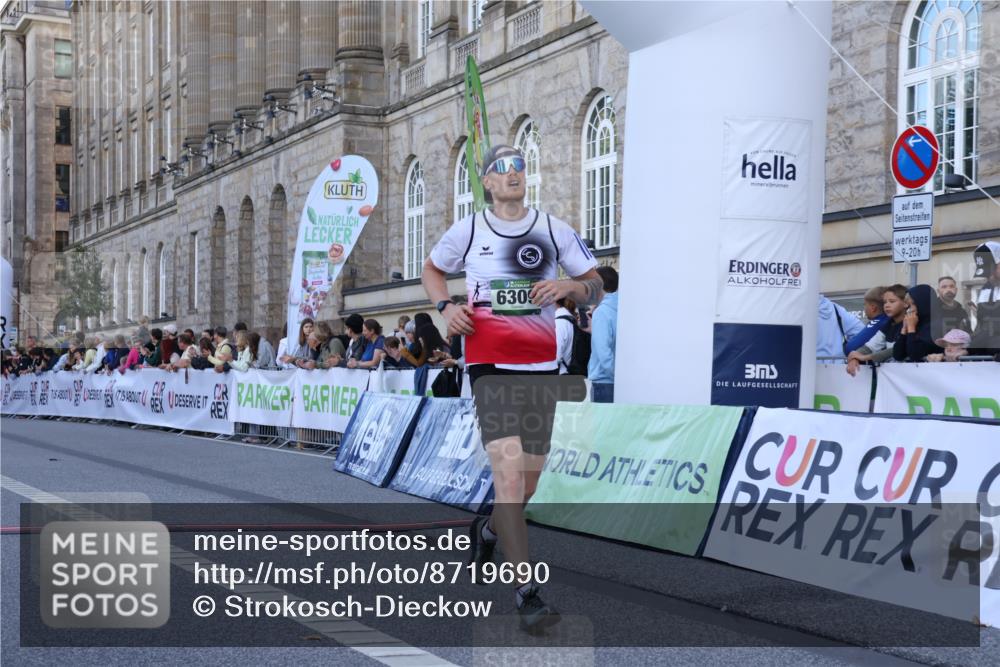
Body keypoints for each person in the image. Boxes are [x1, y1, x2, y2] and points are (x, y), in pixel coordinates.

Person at [421, 143, 601, 631]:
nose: (513, 172)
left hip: (542, 366)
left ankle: (488, 528)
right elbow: (432, 270)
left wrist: (570, 288)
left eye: (520, 164)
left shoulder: (551, 229)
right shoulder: (471, 228)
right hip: (489, 364)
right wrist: (444, 309)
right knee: (508, 473)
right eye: (501, 168)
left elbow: (597, 282)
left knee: (530, 483)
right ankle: (528, 595)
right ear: (488, 183)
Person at [846, 284, 909, 375]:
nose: (887, 305)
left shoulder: (911, 322)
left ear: (905, 303)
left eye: (892, 301)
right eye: (885, 302)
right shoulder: (888, 325)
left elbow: (896, 350)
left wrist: (865, 357)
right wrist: (855, 358)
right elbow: (870, 346)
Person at [589, 266, 619, 402]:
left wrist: (615, 374)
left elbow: (603, 351)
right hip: (617, 382)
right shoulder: (621, 307)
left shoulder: (601, 312)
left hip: (603, 381)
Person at [893, 284, 943, 362]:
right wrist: (904, 330)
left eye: (913, 304)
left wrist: (911, 329)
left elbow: (915, 354)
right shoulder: (916, 324)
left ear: (923, 304)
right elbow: (898, 355)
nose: (909, 310)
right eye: (909, 305)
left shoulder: (938, 326)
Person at [970, 241, 1000, 356]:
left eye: (991, 270)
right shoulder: (986, 289)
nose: (989, 276)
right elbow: (982, 325)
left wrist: (970, 349)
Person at [817, 294, 864, 361]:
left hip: (806, 367)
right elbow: (860, 331)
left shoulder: (800, 310)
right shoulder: (835, 309)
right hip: (837, 366)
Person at [844, 286, 888, 354]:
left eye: (865, 304)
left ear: (873, 308)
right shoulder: (880, 321)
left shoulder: (884, 323)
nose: (864, 308)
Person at [554, 299, 576, 375]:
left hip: (560, 374)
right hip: (569, 371)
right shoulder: (571, 318)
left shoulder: (559, 322)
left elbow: (556, 356)